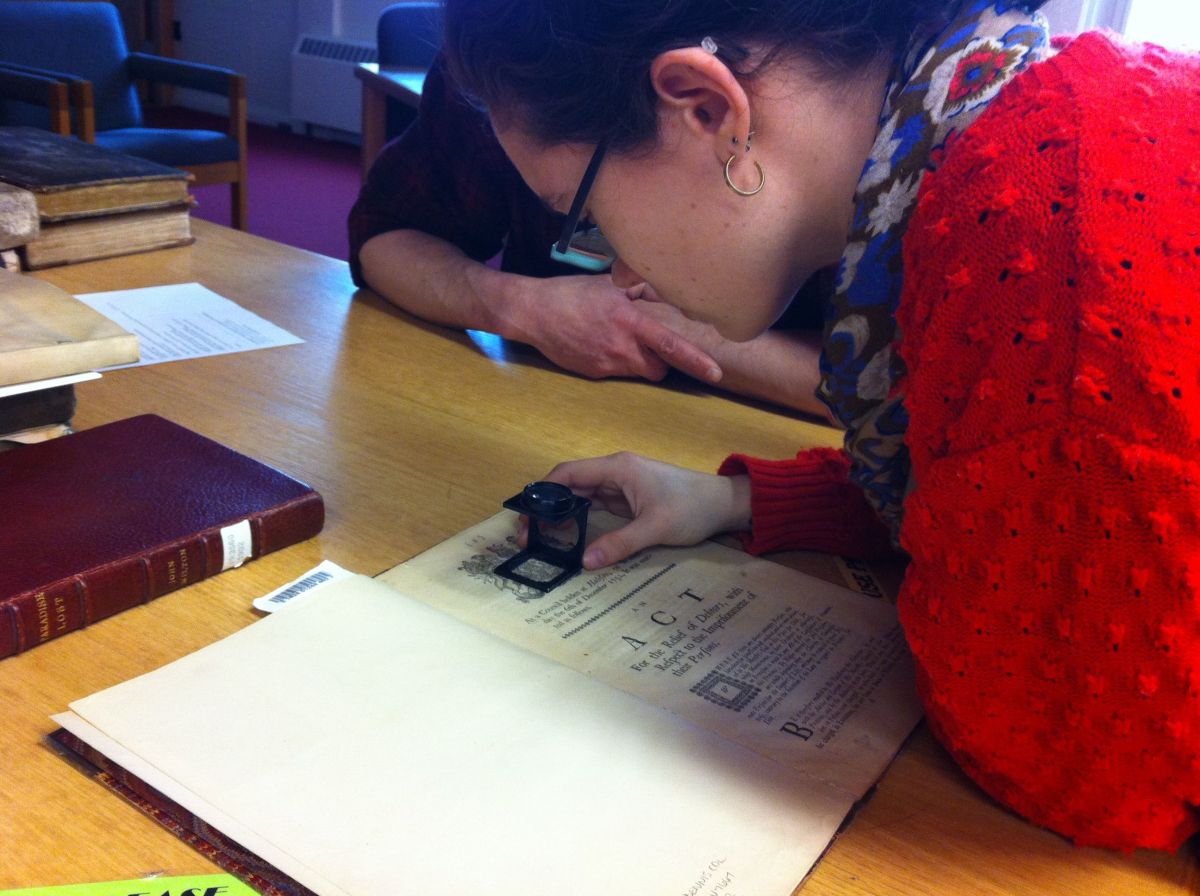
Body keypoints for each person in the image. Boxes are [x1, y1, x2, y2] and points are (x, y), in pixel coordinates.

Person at [441, 0, 1200, 852]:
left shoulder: (1049, 263)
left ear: (707, 110)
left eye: (583, 216)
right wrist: (733, 500)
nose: (614, 273)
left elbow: (1078, 768)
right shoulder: (1006, 130)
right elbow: (991, 487)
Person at [348, 53, 834, 416]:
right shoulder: (508, 56)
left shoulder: (833, 123)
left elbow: (876, 386)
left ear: (707, 110)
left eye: (586, 210)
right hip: (544, 415)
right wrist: (524, 306)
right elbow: (385, 233)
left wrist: (665, 327)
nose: (625, 278)